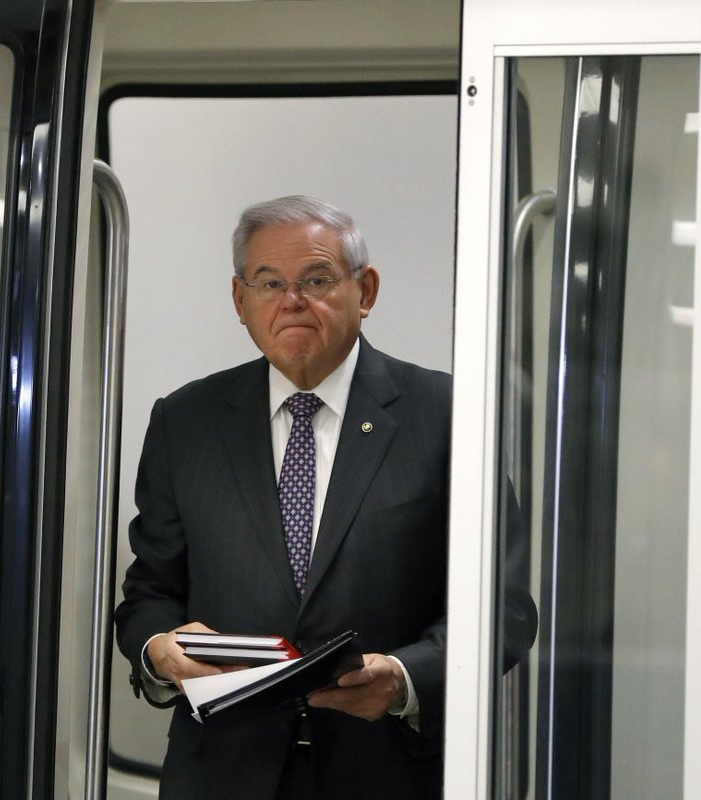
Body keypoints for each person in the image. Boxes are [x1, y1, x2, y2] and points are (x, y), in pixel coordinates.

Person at [114, 195, 535, 799]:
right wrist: (160, 650)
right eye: (269, 283)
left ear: (366, 291)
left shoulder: (448, 416)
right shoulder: (185, 421)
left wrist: (404, 677)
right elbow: (150, 592)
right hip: (222, 773)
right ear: (240, 301)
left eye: (316, 279)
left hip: (390, 772)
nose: (291, 300)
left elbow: (504, 608)